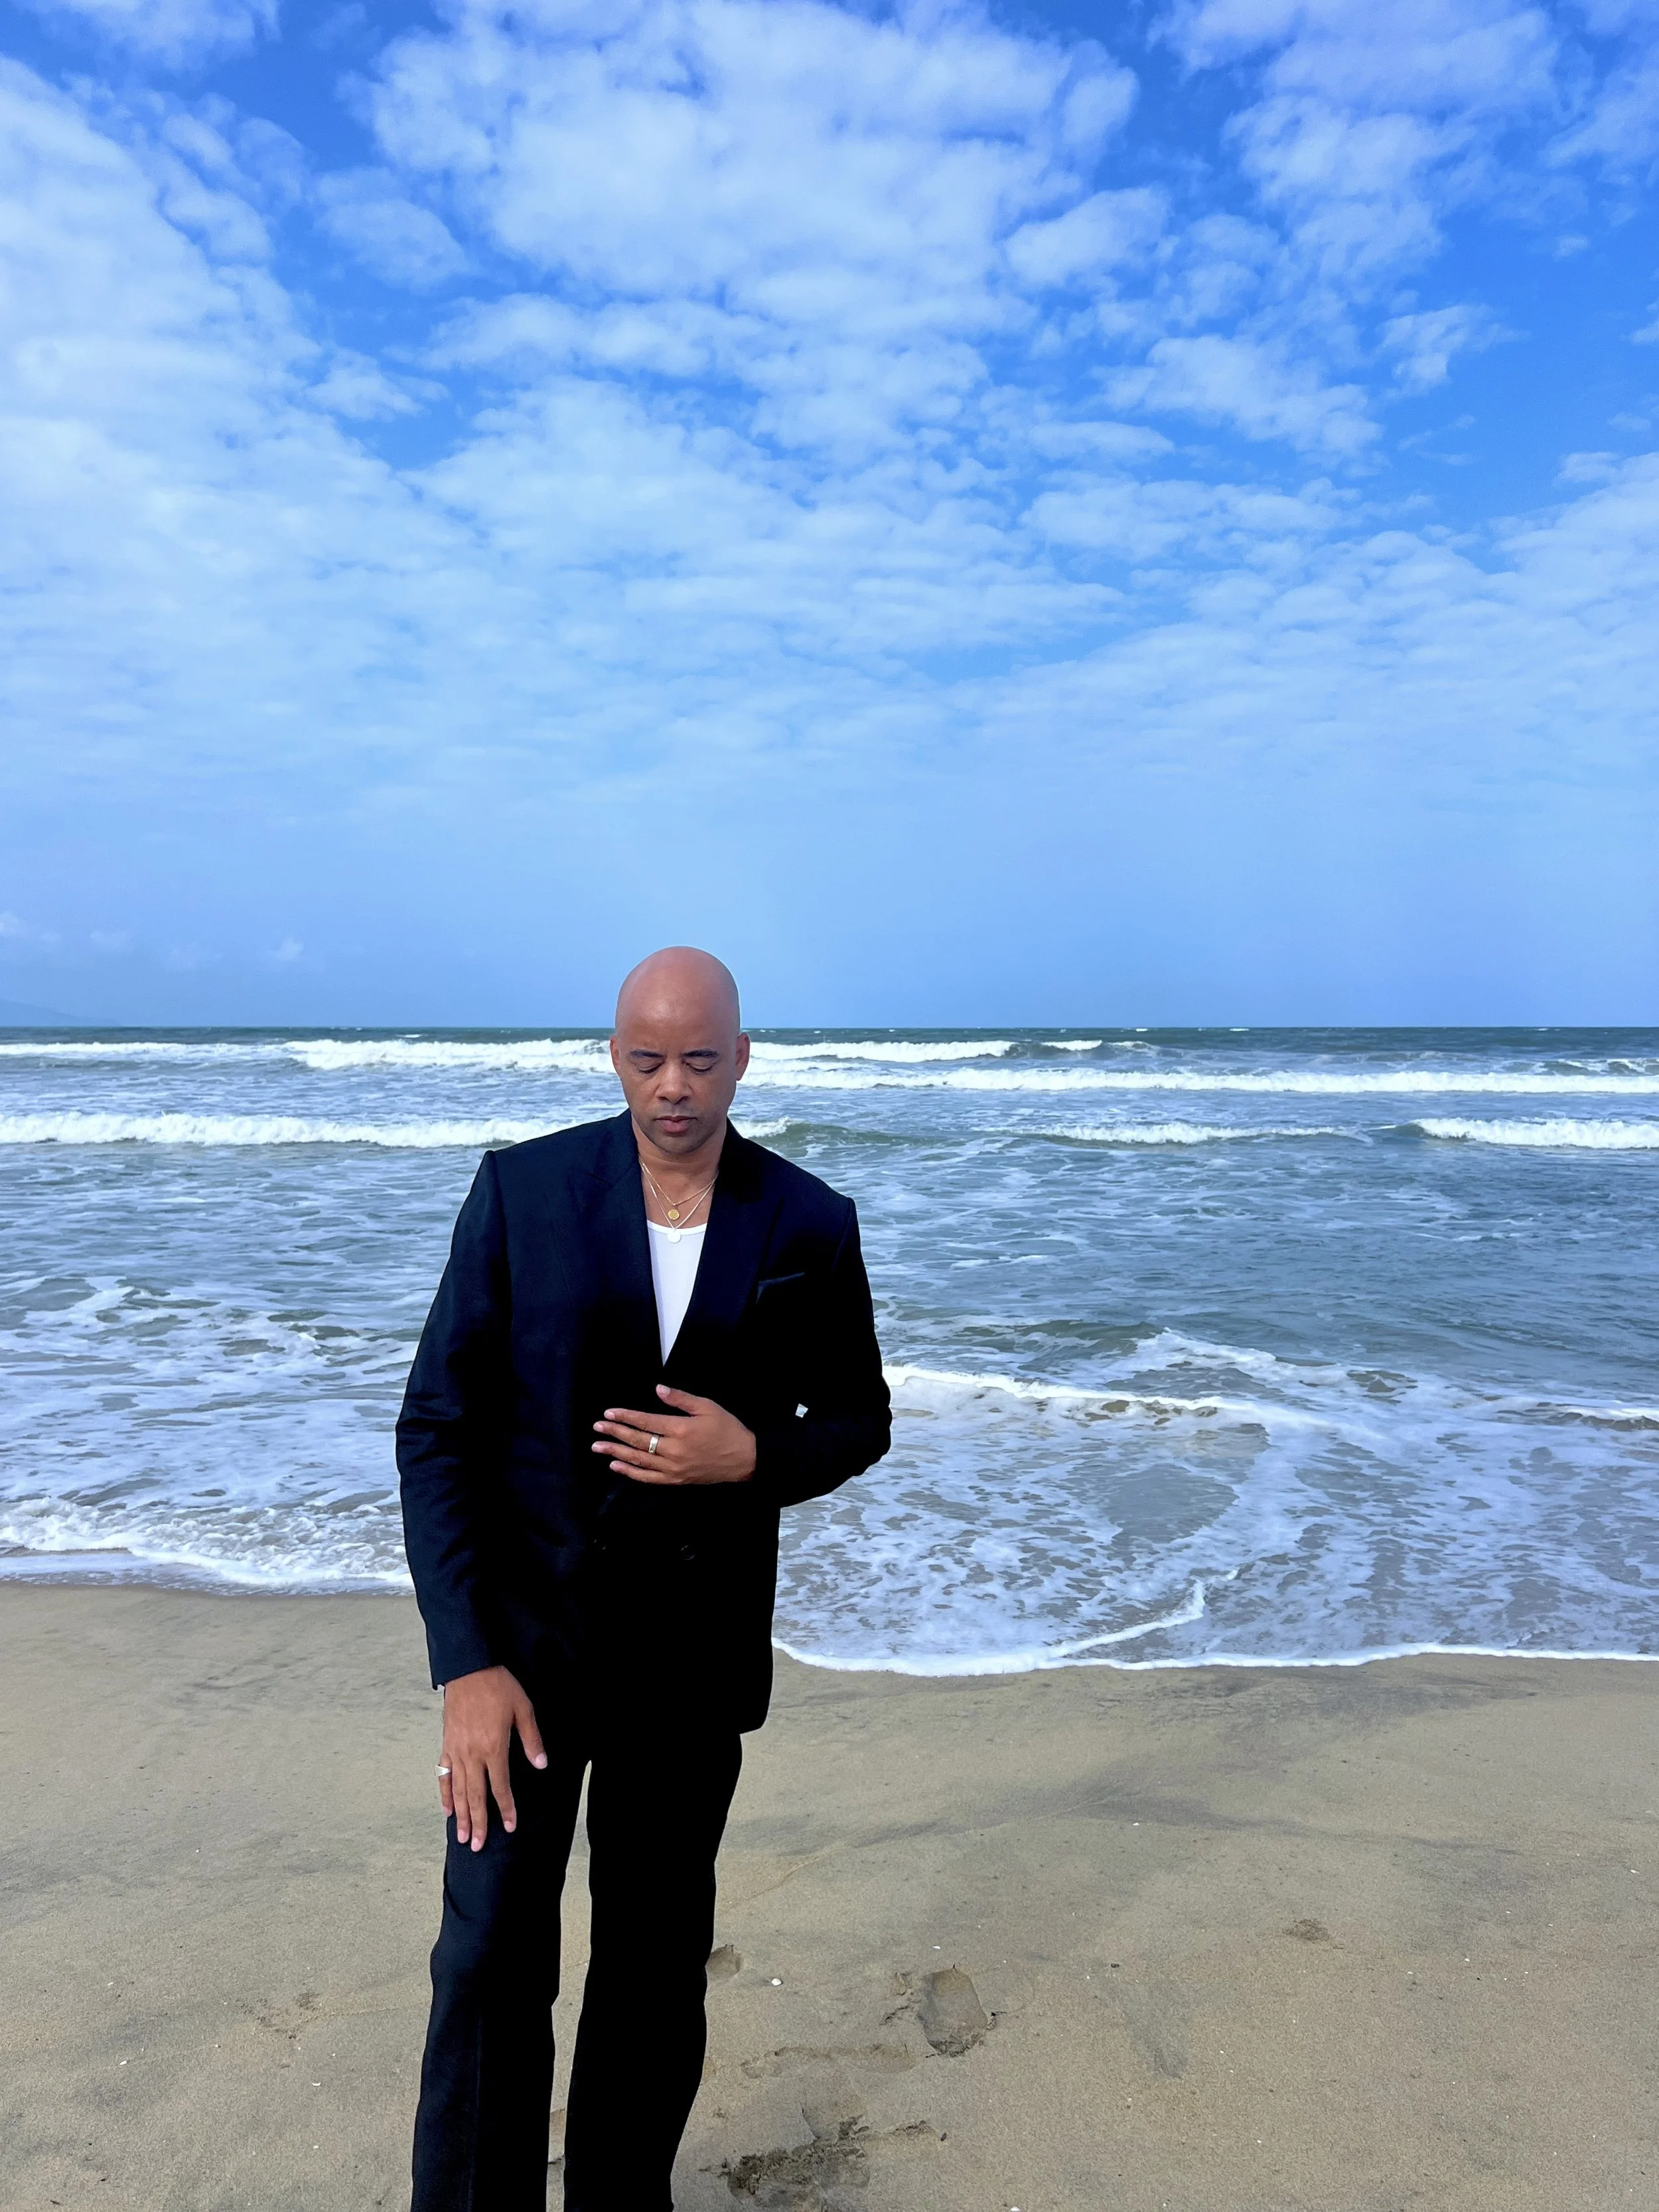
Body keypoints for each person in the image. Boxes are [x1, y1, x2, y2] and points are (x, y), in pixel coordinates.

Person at [396, 946, 892, 2212]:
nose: (673, 1087)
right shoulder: (522, 1192)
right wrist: (465, 1661)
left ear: (744, 1056)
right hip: (524, 1659)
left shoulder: (808, 1220)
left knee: (654, 1965)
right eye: (646, 1057)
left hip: (691, 1662)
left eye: (701, 1058)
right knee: (494, 1954)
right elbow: (438, 1429)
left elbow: (859, 1416)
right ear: (612, 1053)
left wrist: (753, 1455)